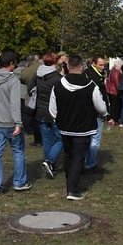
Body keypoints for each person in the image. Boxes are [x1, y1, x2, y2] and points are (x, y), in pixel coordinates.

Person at [49, 54, 108, 200]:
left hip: (65, 127)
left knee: (69, 155)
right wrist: (104, 113)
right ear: (82, 67)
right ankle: (72, 189)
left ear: (68, 66)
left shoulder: (58, 85)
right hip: (84, 127)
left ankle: (71, 184)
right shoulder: (90, 86)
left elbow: (52, 109)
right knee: (78, 157)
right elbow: (101, 108)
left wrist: (59, 119)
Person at [0, 51, 30, 195]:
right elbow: (15, 103)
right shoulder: (13, 81)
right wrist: (18, 123)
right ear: (11, 63)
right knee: (18, 151)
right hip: (11, 122)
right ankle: (19, 182)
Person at [34, 53, 64, 179]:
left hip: (41, 111)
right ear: (55, 62)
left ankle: (50, 164)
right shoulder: (57, 78)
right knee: (62, 138)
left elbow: (31, 88)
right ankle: (50, 161)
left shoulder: (38, 75)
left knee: (47, 140)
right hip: (54, 111)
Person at [84, 56, 111, 172]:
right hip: (95, 110)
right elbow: (100, 96)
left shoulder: (88, 73)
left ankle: (84, 161)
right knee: (95, 139)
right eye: (100, 65)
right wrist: (105, 112)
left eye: (104, 65)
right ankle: (90, 163)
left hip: (87, 110)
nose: (103, 67)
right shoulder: (94, 77)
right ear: (94, 63)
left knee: (87, 137)